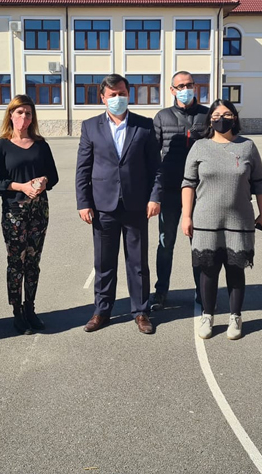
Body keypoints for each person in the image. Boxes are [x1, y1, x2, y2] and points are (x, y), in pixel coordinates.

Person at [75, 74, 162, 335]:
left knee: (138, 263)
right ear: (103, 98)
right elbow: (83, 168)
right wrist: (83, 202)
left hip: (136, 205)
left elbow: (156, 168)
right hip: (103, 206)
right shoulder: (90, 126)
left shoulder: (144, 126)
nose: (117, 98)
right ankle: (102, 311)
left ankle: (141, 311)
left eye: (121, 93)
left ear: (128, 95)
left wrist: (154, 197)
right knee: (103, 263)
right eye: (112, 95)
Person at [182, 99, 262, 341]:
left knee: (235, 270)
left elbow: (259, 183)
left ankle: (235, 317)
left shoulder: (247, 146)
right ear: (210, 119)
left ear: (235, 118)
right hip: (205, 221)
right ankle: (207, 315)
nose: (222, 119)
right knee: (208, 271)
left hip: (239, 221)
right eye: (217, 115)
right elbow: (188, 183)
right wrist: (186, 216)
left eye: (227, 114)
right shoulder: (199, 147)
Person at [0, 95, 59, 334]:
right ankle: (16, 310)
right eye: (19, 112)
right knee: (15, 262)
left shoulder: (40, 145)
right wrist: (22, 186)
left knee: (33, 261)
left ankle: (30, 307)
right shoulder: (1, 146)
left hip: (39, 211)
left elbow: (53, 176)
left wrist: (43, 181)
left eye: (28, 113)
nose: (24, 117)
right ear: (11, 115)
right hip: (14, 212)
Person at [151, 70, 208, 310]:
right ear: (172, 90)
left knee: (200, 245)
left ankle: (203, 292)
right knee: (166, 244)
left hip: (200, 192)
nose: (186, 89)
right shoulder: (162, 117)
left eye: (189, 85)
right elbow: (152, 156)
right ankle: (161, 292)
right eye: (180, 86)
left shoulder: (206, 115)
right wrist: (154, 194)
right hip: (170, 192)